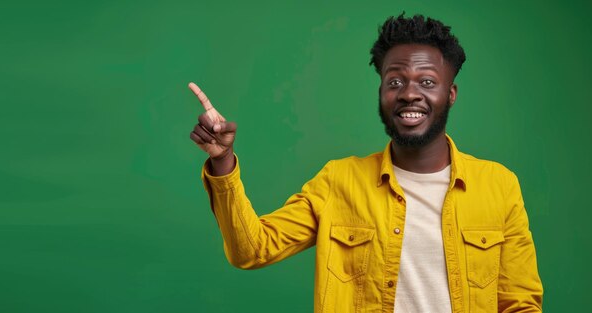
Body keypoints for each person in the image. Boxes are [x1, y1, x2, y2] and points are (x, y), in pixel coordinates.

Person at [188, 13, 543, 313]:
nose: (409, 93)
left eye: (428, 81)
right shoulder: (338, 181)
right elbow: (251, 250)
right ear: (382, 92)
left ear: (450, 94)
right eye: (395, 81)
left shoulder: (499, 185)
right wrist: (223, 161)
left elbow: (521, 304)